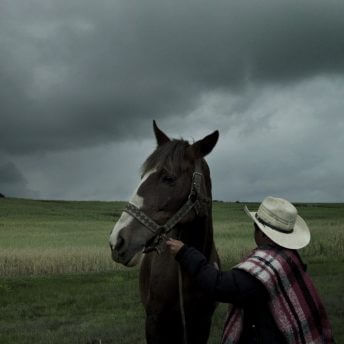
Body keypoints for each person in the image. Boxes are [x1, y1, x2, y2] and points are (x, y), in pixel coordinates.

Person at [166, 196, 334, 344]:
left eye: (256, 226)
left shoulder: (267, 267)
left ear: (263, 234)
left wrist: (184, 253)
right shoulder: (287, 256)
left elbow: (220, 286)